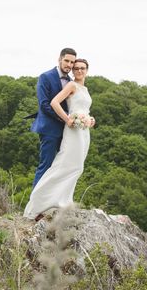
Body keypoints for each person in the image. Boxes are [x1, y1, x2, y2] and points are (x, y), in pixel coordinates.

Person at [24, 58, 95, 221]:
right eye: (76, 68)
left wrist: (91, 120)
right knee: (64, 165)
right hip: (72, 130)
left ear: (87, 70)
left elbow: (85, 109)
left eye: (82, 68)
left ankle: (63, 202)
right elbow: (54, 102)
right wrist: (68, 119)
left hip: (84, 132)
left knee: (77, 167)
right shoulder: (71, 85)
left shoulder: (85, 88)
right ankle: (39, 201)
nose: (79, 71)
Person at [30, 48, 77, 188]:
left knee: (61, 168)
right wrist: (64, 118)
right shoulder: (45, 77)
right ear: (60, 59)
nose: (69, 64)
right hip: (49, 129)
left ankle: (51, 202)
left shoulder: (71, 82)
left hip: (67, 131)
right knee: (46, 165)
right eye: (67, 60)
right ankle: (34, 205)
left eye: (72, 62)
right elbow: (44, 105)